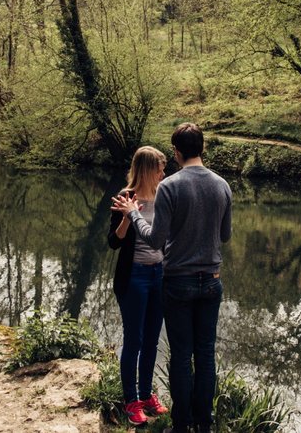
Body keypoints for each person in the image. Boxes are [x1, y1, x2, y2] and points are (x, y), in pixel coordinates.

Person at [112, 123, 232, 433]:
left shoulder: (170, 187)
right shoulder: (222, 185)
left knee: (177, 353)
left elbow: (156, 240)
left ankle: (180, 424)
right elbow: (225, 235)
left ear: (176, 152)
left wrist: (136, 217)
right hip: (205, 279)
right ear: (202, 148)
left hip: (175, 279)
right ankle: (201, 424)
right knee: (202, 353)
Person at [107, 145, 171, 427]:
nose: (164, 173)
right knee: (134, 340)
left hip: (160, 275)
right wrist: (126, 218)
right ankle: (130, 401)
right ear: (148, 169)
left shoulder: (165, 196)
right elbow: (113, 242)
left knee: (152, 340)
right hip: (134, 277)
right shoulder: (126, 196)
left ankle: (146, 395)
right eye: (160, 168)